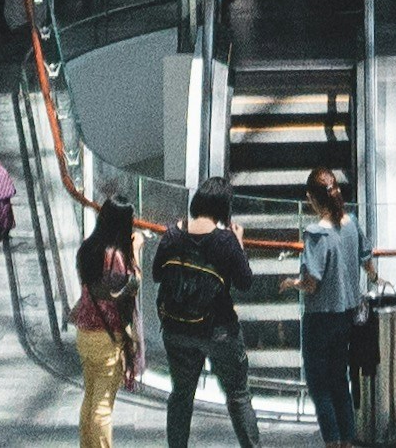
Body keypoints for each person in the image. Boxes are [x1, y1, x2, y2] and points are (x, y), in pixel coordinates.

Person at [151, 187, 263, 448]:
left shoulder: (172, 235)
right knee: (238, 396)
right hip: (219, 331)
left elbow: (157, 274)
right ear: (224, 208)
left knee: (181, 395)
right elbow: (245, 282)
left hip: (177, 330)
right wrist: (239, 244)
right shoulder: (225, 241)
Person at [292, 165, 374, 441]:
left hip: (320, 318)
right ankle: (347, 442)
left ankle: (332, 442)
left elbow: (312, 282)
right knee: (340, 382)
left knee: (319, 386)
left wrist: (292, 284)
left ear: (312, 199)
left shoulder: (316, 234)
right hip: (347, 317)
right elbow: (367, 260)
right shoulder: (351, 223)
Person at [71, 212, 145, 448]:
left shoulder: (86, 249)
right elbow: (131, 286)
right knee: (102, 406)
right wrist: (136, 251)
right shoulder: (114, 256)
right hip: (106, 337)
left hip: (84, 333)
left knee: (90, 396)